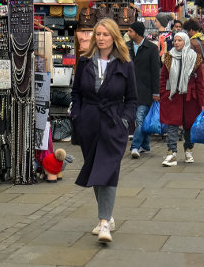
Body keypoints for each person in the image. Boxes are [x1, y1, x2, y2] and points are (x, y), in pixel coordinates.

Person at [71, 18, 137, 243]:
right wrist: (77, 116)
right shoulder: (84, 61)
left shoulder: (125, 63)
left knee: (108, 171)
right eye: (97, 34)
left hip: (113, 123)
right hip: (88, 123)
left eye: (105, 34)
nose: (100, 38)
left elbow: (132, 99)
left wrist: (125, 121)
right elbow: (76, 93)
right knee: (94, 170)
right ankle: (107, 215)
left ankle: (104, 224)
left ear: (114, 37)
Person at [159, 31, 204, 166]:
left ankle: (188, 151)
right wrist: (163, 93)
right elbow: (163, 78)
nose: (176, 43)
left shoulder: (195, 58)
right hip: (173, 96)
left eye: (180, 40)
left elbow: (200, 83)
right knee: (172, 124)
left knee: (189, 125)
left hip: (190, 98)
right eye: (175, 40)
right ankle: (172, 153)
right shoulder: (168, 57)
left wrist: (203, 102)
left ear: (185, 42)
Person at [127, 21, 161, 158]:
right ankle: (145, 145)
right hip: (129, 90)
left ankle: (135, 147)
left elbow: (155, 72)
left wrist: (156, 92)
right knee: (140, 120)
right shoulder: (126, 47)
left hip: (145, 90)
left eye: (130, 31)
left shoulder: (152, 48)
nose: (128, 33)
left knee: (140, 119)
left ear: (137, 33)